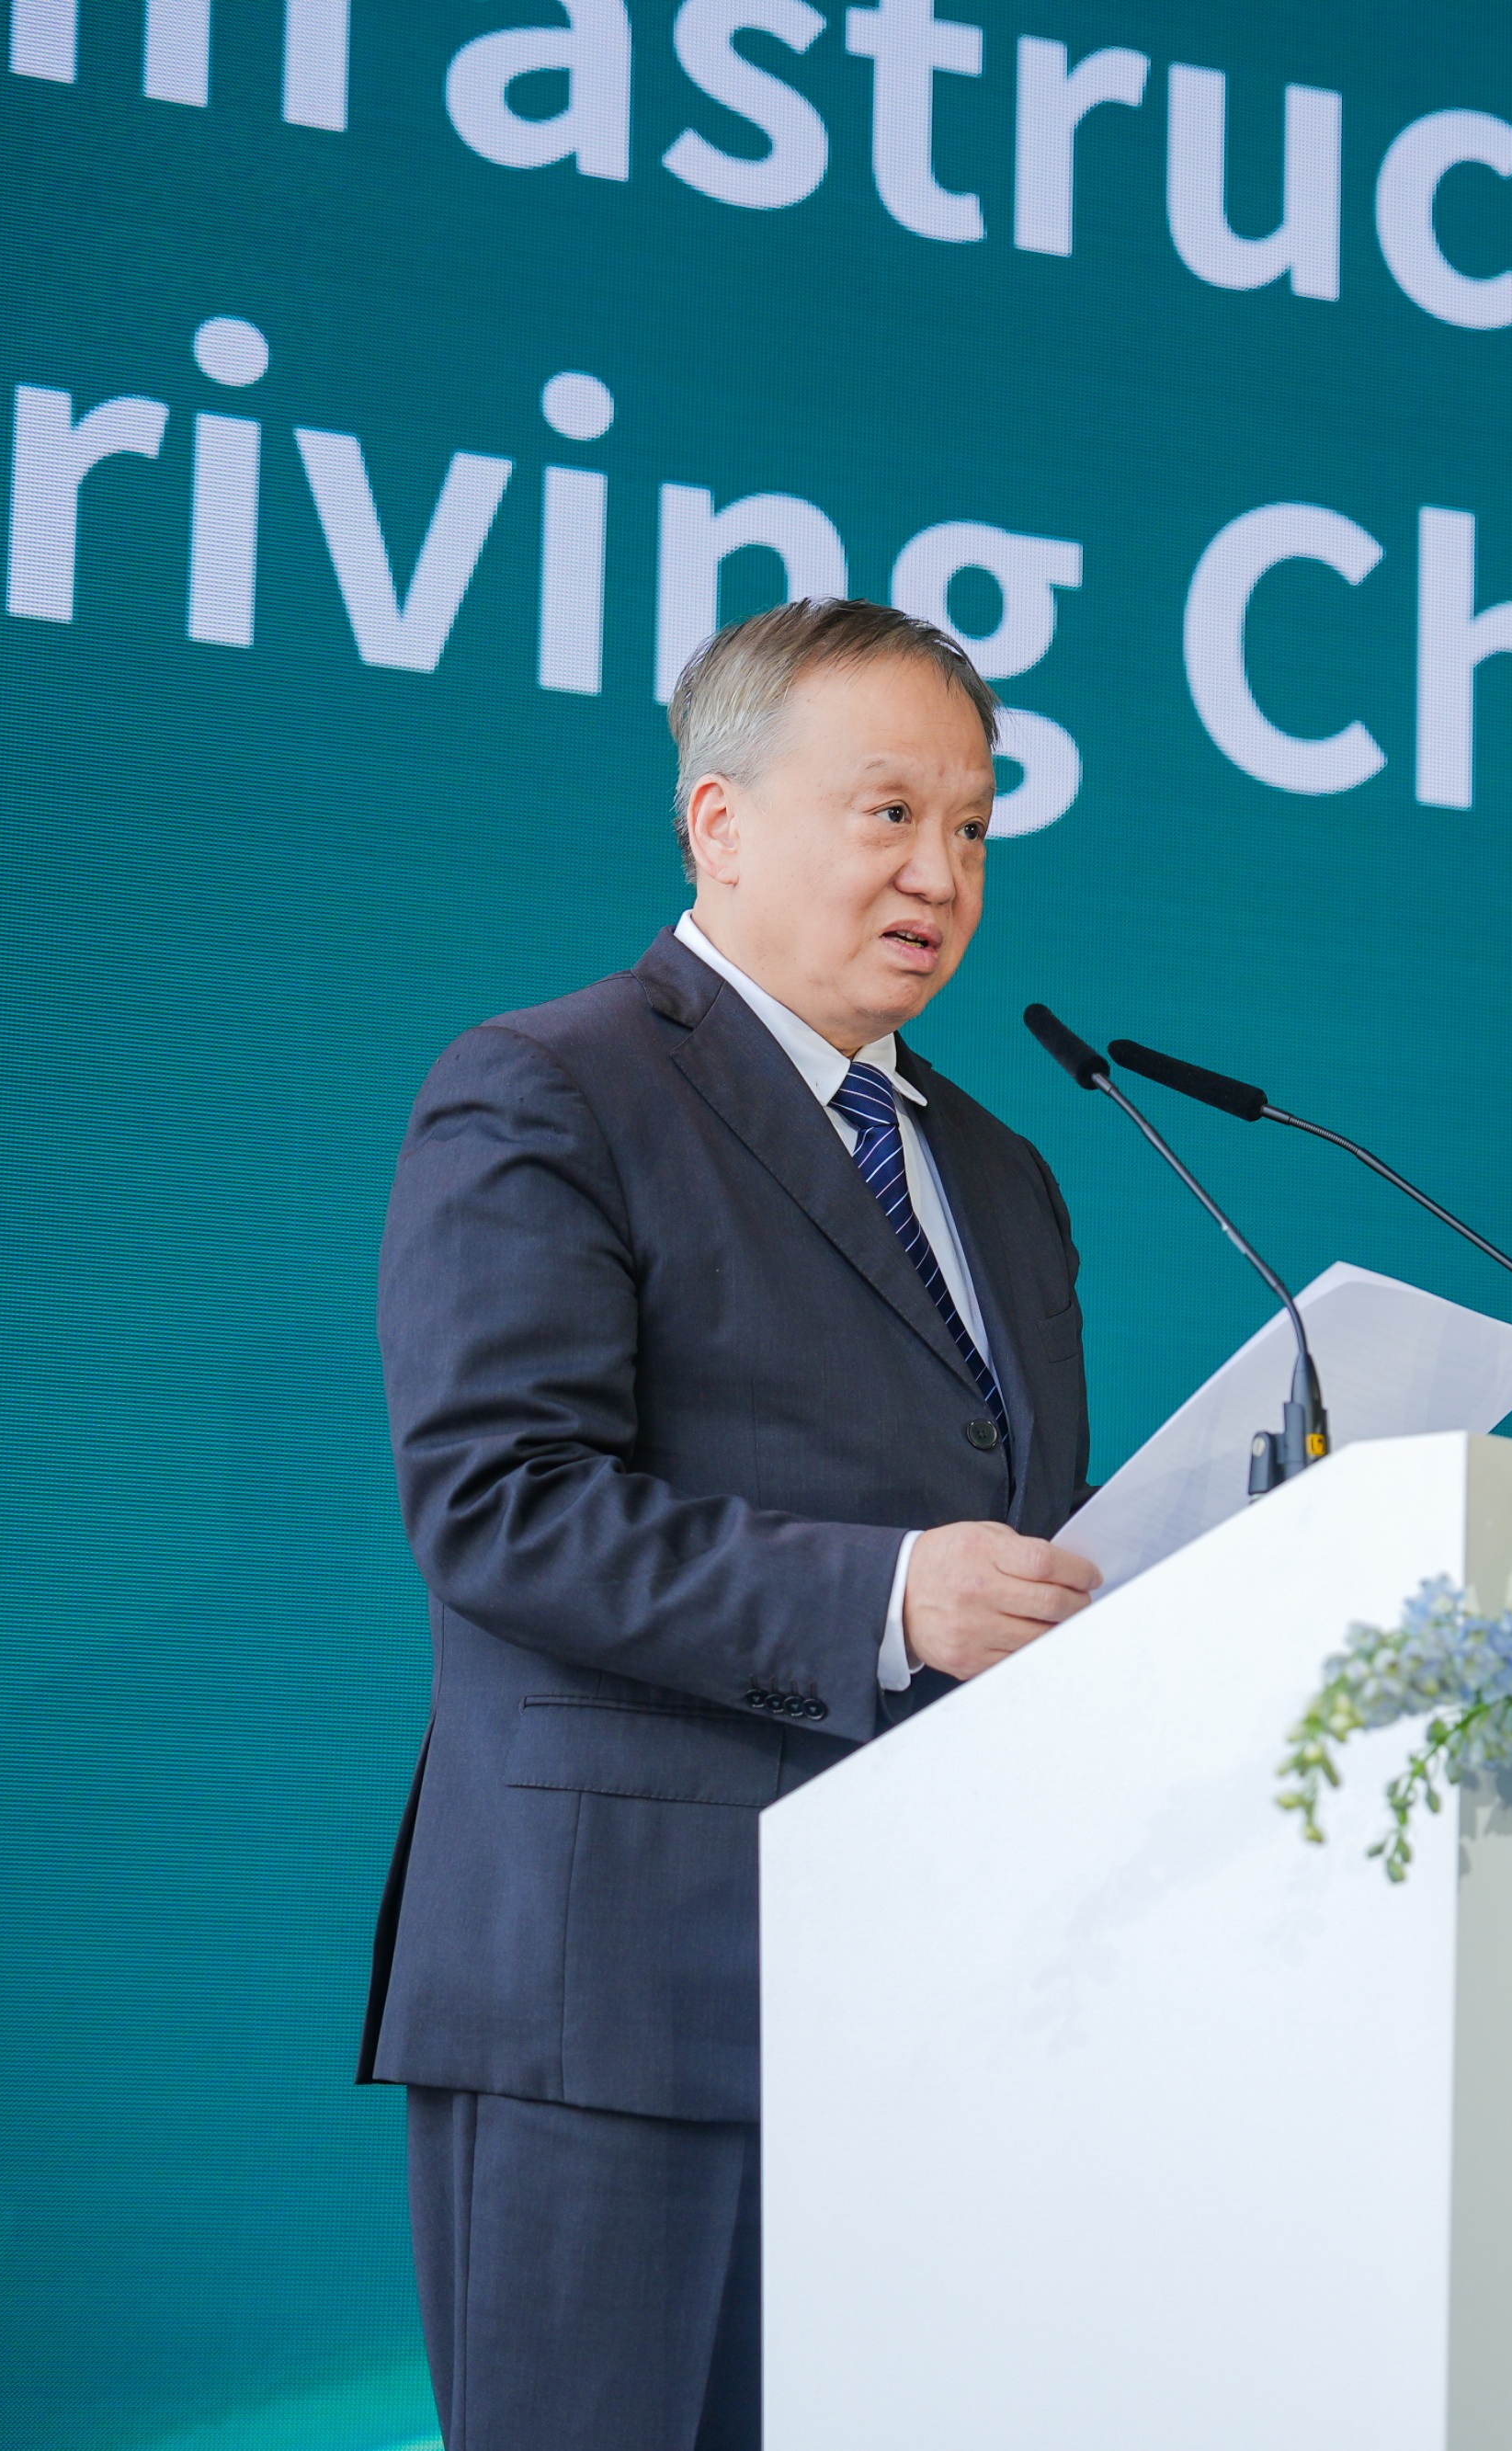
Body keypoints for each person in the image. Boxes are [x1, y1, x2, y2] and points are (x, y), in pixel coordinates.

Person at [360, 598, 1104, 2449]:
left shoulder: (998, 1170)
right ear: (719, 822)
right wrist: (890, 1596)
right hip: (623, 2003)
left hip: (934, 2013)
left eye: (974, 826)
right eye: (889, 813)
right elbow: (501, 1503)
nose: (940, 872)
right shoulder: (553, 1085)